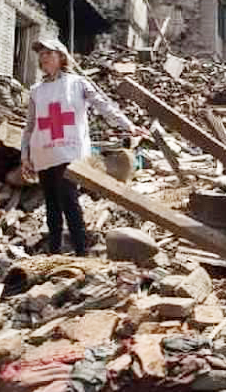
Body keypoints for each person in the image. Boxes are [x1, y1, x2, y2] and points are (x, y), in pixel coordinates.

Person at [21, 38, 148, 255]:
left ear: (61, 57)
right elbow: (30, 125)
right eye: (41, 54)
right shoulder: (36, 91)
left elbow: (103, 105)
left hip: (69, 153)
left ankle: (81, 252)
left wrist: (128, 125)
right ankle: (54, 252)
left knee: (69, 200)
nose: (44, 58)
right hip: (44, 154)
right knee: (52, 205)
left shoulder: (77, 83)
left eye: (48, 53)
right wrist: (25, 154)